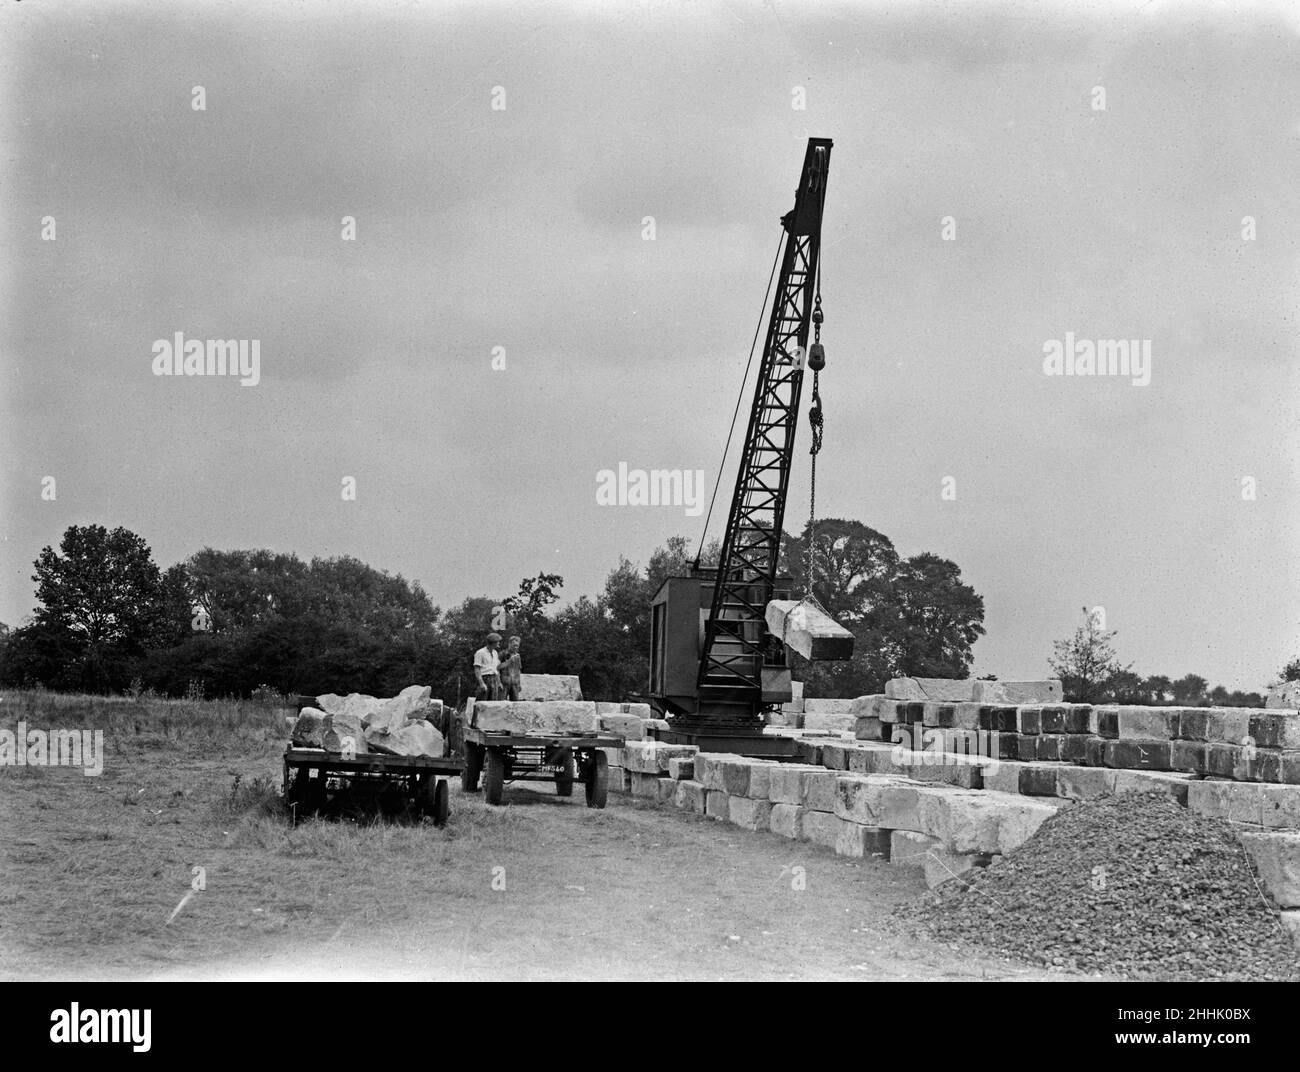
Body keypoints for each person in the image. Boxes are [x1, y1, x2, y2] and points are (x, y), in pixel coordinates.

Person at [473, 632, 503, 700]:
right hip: (485, 678)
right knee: (482, 702)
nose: (499, 643)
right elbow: (477, 669)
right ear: (493, 643)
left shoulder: (495, 653)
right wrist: (481, 683)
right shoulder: (480, 652)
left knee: (493, 703)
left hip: (494, 679)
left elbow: (496, 669)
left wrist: (499, 682)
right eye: (498, 642)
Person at [499, 636, 522, 701]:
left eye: (517, 646)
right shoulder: (502, 654)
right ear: (509, 644)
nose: (515, 647)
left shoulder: (518, 656)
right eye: (514, 645)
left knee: (515, 703)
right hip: (504, 682)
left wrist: (519, 684)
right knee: (502, 702)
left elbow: (518, 670)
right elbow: (496, 668)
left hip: (515, 683)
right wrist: (498, 682)